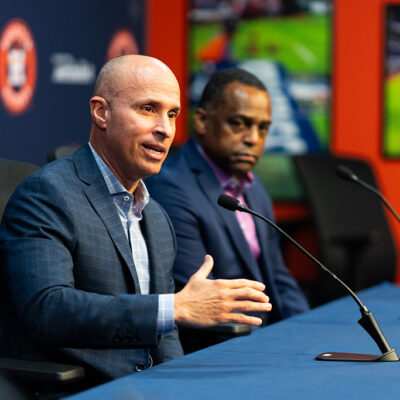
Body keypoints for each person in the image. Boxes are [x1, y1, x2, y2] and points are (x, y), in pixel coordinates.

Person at [0, 56, 272, 386]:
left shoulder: (155, 215)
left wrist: (179, 386)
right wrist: (174, 307)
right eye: (148, 109)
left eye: (172, 114)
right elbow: (48, 310)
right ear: (101, 112)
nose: (166, 129)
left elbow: (166, 335)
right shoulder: (47, 193)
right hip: (81, 389)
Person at [147, 68, 309, 328]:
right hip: (224, 343)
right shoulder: (171, 187)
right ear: (201, 121)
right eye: (238, 124)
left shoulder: (254, 187)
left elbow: (278, 278)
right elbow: (200, 302)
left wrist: (305, 330)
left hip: (268, 335)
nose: (253, 139)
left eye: (263, 128)